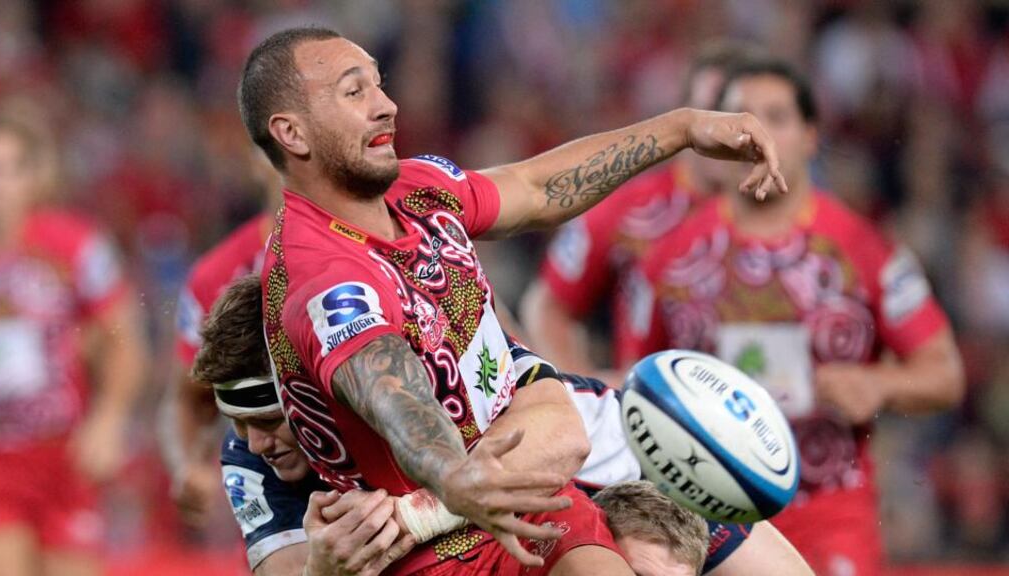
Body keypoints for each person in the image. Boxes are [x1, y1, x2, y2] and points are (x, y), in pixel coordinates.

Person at [241, 26, 785, 575]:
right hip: (426, 548)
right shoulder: (322, 273)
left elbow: (536, 189)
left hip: (528, 475)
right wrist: (452, 478)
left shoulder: (419, 189)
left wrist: (684, 128)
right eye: (354, 92)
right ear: (293, 133)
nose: (387, 106)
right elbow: (391, 391)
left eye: (379, 86)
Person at [192, 274, 810, 576]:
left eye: (271, 419)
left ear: (317, 393)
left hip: (619, 474)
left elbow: (562, 440)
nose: (254, 444)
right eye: (236, 423)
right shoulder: (251, 459)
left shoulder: (450, 370)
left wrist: (411, 518)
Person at [621, 57, 966, 576]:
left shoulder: (864, 249)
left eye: (776, 117)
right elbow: (635, 389)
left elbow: (946, 373)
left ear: (810, 136)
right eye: (742, 116)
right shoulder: (667, 260)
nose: (757, 133)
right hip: (704, 514)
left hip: (830, 509)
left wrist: (878, 385)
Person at [521, 41, 756, 381]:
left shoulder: (796, 218)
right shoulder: (633, 209)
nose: (726, 131)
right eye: (713, 111)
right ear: (686, 118)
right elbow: (547, 305)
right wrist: (588, 397)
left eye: (738, 114)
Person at [0, 113, 147, 576]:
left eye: (1, 169)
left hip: (63, 458)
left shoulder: (73, 246)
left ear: (32, 177)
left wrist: (110, 415)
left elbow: (121, 334)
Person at [161, 149, 280, 527]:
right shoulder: (218, 276)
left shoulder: (378, 237)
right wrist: (188, 465)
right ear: (259, 159)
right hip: (281, 494)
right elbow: (190, 401)